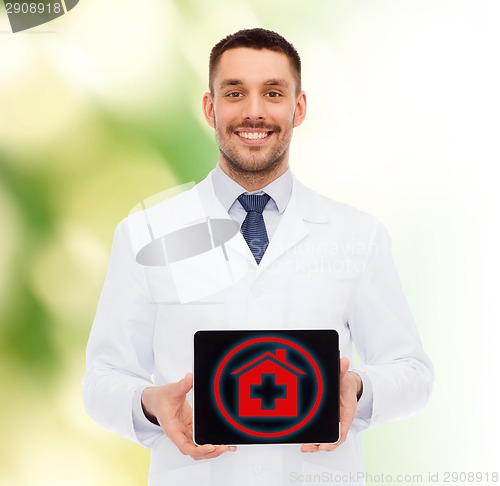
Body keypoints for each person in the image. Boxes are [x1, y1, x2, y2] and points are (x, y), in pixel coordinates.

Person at [83, 28, 433, 486]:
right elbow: (102, 380)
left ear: (298, 107)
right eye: (234, 93)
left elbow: (412, 372)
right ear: (210, 108)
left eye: (272, 92)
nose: (253, 111)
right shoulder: (146, 235)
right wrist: (151, 403)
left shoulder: (357, 235)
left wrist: (357, 390)